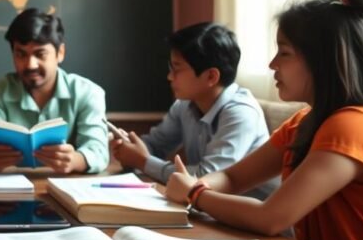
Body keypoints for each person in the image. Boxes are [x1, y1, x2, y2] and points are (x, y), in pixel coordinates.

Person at [159, 0, 363, 240]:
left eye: (284, 53)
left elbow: (271, 218)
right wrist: (195, 185)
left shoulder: (354, 126)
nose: (272, 64)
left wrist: (195, 193)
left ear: (323, 59)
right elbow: (232, 177)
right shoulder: (304, 122)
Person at [111, 22, 275, 199]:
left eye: (177, 69)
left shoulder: (241, 113)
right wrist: (129, 148)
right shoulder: (185, 105)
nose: (169, 76)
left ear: (211, 76)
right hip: (209, 211)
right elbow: (155, 145)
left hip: (247, 215)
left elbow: (206, 178)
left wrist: (143, 161)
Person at [0, 8, 109, 173]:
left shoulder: (88, 93)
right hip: (11, 189)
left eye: (40, 54)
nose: (30, 65)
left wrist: (75, 160)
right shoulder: (0, 90)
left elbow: (99, 151)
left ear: (60, 53)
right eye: (21, 54)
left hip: (69, 188)